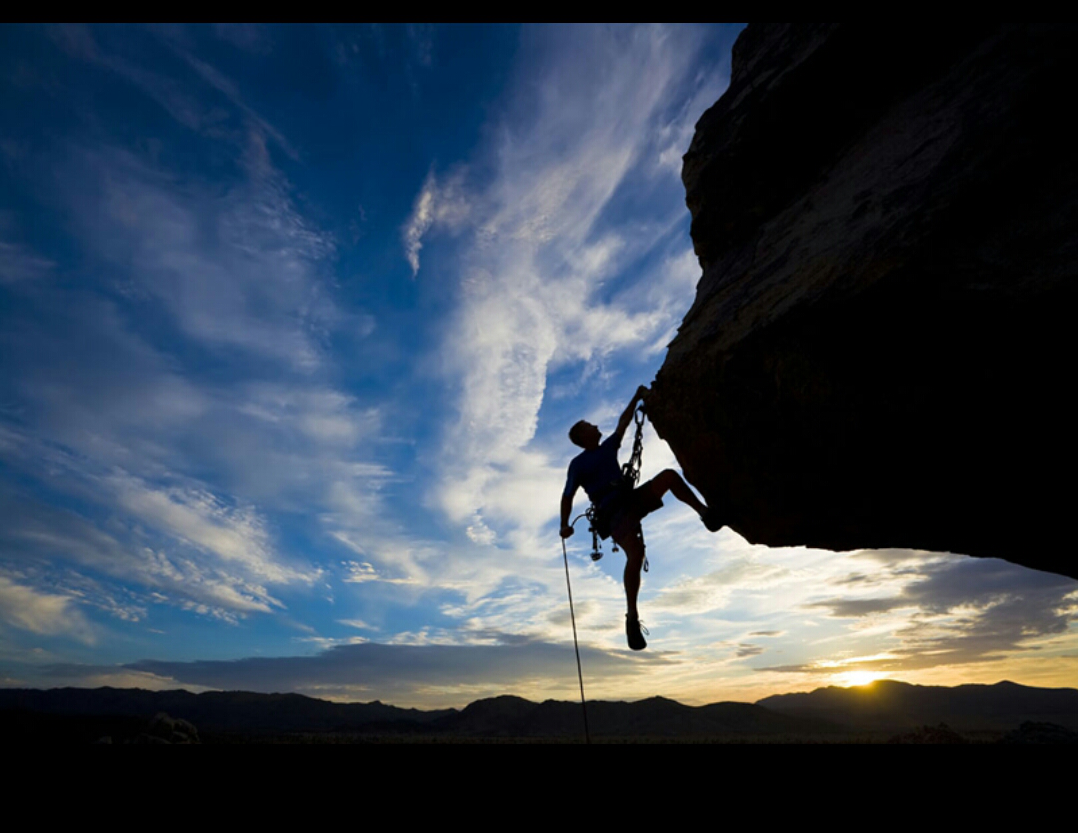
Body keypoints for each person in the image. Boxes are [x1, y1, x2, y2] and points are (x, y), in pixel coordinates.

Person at [559, 385, 723, 650]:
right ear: (583, 435)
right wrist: (564, 525)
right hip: (613, 513)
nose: (596, 425)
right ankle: (632, 617)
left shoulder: (608, 446)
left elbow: (623, 424)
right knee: (635, 553)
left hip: (629, 500)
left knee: (669, 477)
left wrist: (636, 398)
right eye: (590, 425)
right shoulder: (578, 465)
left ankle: (705, 514)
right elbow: (567, 496)